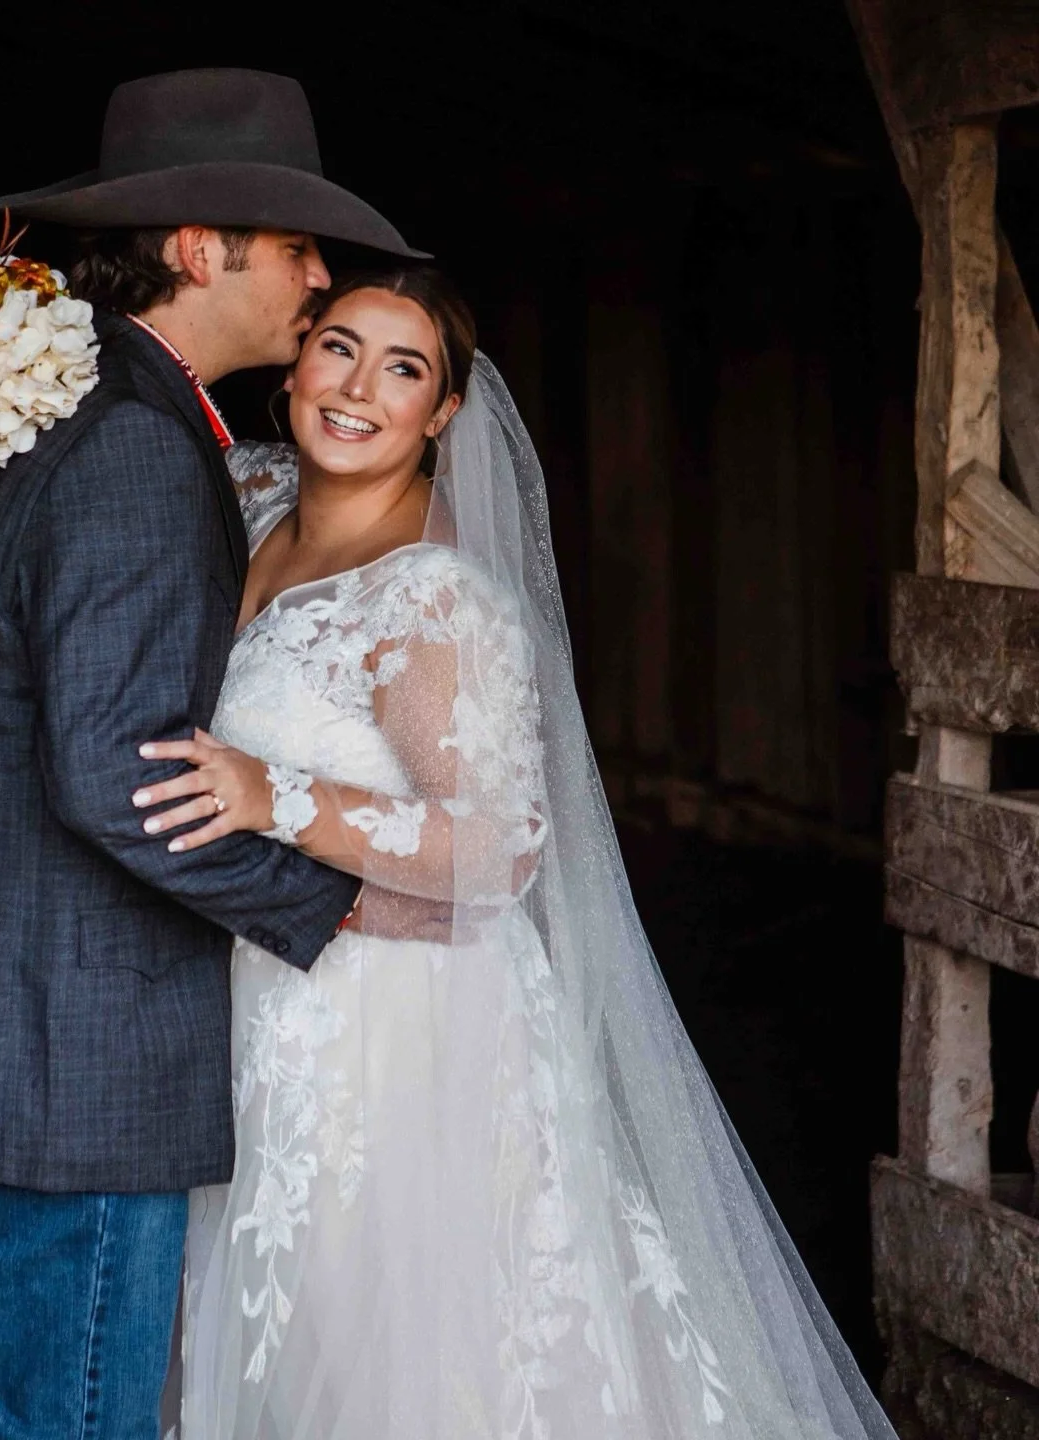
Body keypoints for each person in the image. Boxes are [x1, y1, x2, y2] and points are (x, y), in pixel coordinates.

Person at [132, 270, 900, 1439]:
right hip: (249, 996)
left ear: (441, 416)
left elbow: (500, 848)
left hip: (396, 1035)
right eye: (339, 348)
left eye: (404, 370)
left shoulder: (437, 599)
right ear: (291, 364)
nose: (357, 390)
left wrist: (267, 792)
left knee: (389, 1350)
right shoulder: (241, 494)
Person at [0, 69, 426, 1440]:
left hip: (20, 1031)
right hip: (77, 1057)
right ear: (197, 247)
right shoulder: (126, 441)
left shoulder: (69, 405)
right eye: (297, 246)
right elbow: (117, 777)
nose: (317, 280)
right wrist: (335, 898)